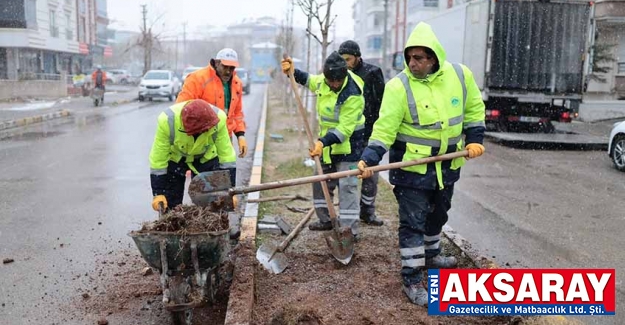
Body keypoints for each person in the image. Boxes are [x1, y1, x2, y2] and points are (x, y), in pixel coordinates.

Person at [357, 22, 486, 306]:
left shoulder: (460, 76)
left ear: (433, 58)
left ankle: (432, 255)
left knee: (438, 214)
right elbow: (384, 129)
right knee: (412, 224)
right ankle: (413, 278)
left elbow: (474, 109)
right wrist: (369, 157)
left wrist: (475, 137)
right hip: (411, 170)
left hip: (446, 166)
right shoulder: (398, 87)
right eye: (409, 57)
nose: (412, 63)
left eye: (419, 58)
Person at [281, 52, 365, 236]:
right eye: (331, 81)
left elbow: (344, 130)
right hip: (327, 144)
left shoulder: (353, 93)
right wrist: (292, 72)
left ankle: (349, 230)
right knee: (320, 181)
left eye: (338, 81)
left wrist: (322, 142)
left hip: (350, 145)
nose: (334, 84)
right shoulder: (323, 81)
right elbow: (308, 79)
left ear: (344, 76)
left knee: (348, 187)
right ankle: (326, 220)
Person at [149, 99, 237, 212]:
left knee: (213, 203)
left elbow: (226, 155)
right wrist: (159, 193)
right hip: (176, 158)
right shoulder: (167, 121)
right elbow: (158, 159)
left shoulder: (219, 119)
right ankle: (171, 223)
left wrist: (230, 191)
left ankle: (212, 224)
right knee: (171, 204)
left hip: (206, 158)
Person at [338, 40, 385, 227]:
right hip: (348, 134)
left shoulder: (372, 73)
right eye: (342, 60)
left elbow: (381, 103)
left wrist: (376, 131)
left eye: (348, 59)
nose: (345, 63)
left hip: (368, 133)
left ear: (357, 57)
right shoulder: (339, 74)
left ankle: (367, 211)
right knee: (346, 174)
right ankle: (347, 213)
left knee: (369, 174)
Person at [176, 48, 248, 160]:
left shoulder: (236, 83)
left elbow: (237, 113)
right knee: (203, 176)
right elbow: (181, 109)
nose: (228, 71)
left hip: (225, 138)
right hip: (202, 139)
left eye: (232, 68)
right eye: (225, 67)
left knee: (226, 172)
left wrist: (240, 135)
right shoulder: (197, 79)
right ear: (216, 63)